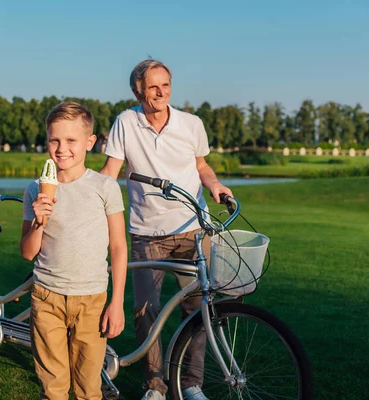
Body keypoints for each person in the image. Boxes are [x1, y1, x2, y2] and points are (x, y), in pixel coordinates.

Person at [100, 59, 233, 400]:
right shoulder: (126, 122)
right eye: (153, 87)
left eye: (166, 85)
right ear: (138, 91)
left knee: (198, 309)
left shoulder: (191, 124)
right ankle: (155, 387)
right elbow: (111, 171)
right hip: (147, 232)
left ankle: (190, 384)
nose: (161, 92)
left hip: (193, 229)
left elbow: (201, 165)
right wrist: (89, 201)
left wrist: (215, 185)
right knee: (146, 312)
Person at [20, 102, 127, 400]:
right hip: (47, 298)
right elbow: (28, 253)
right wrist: (40, 221)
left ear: (89, 143)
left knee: (88, 389)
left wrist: (116, 302)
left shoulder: (104, 187)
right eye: (54, 140)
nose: (61, 148)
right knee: (53, 388)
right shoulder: (35, 189)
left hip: (92, 300)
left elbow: (118, 248)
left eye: (71, 141)